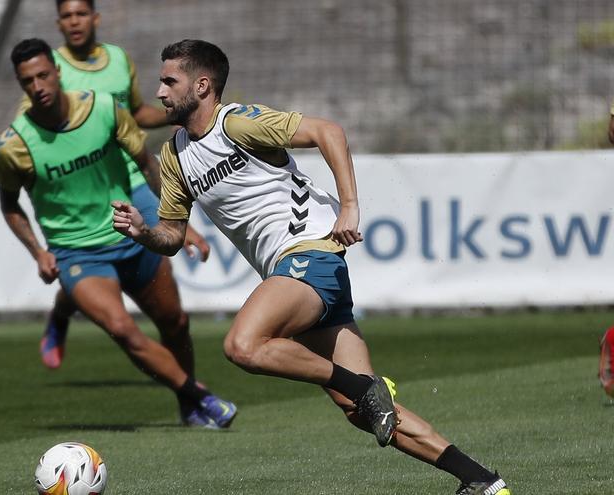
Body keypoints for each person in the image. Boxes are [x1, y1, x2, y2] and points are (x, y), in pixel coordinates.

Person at [112, 39, 511, 494]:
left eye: (169, 81)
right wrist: (144, 233)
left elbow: (329, 131)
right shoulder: (174, 156)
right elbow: (173, 236)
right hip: (297, 273)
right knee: (362, 412)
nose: (159, 92)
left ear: (202, 86)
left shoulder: (237, 122)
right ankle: (481, 480)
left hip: (310, 254)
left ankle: (365, 387)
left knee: (243, 345)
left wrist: (349, 207)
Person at [0, 38, 236, 428]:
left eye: (42, 75)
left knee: (175, 322)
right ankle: (200, 396)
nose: (37, 86)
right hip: (77, 253)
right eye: (27, 81)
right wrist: (38, 251)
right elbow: (9, 205)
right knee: (123, 329)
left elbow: (144, 164)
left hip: (129, 234)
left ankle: (188, 407)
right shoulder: (13, 146)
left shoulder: (103, 108)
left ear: (58, 72)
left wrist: (178, 223)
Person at [28, 0, 210, 369]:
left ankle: (191, 400)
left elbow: (136, 112)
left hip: (133, 177)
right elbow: (32, 127)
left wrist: (171, 113)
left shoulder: (117, 59)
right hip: (88, 188)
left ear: (95, 18)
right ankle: (62, 316)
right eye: (67, 16)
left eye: (81, 13)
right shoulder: (48, 71)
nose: (75, 21)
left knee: (171, 309)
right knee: (87, 264)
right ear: (58, 23)